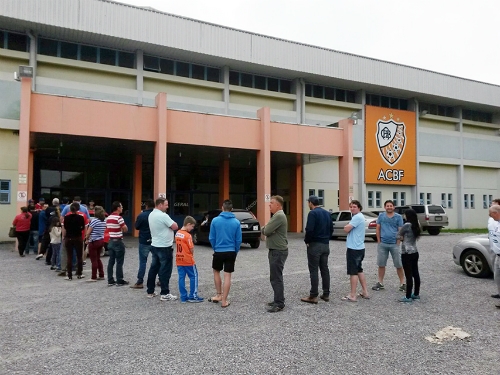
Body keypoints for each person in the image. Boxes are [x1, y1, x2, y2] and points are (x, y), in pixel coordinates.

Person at [208, 199, 241, 308]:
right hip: (231, 251)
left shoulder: (215, 221)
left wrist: (215, 247)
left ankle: (219, 295)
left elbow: (212, 237)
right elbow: (238, 240)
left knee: (216, 271)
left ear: (222, 208)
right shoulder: (236, 222)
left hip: (218, 250)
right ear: (231, 209)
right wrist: (235, 250)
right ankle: (224, 301)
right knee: (228, 275)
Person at [301, 195, 333, 304]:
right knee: (324, 268)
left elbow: (309, 229)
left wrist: (307, 241)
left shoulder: (312, 213)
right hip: (325, 244)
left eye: (308, 202)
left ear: (310, 203)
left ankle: (313, 295)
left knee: (313, 269)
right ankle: (326, 293)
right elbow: (331, 229)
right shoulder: (327, 213)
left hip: (315, 245)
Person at [146, 198, 179, 300]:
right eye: (166, 205)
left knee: (154, 268)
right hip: (164, 246)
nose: (167, 207)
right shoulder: (163, 216)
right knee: (165, 270)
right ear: (160, 205)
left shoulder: (151, 214)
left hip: (155, 244)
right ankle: (165, 293)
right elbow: (175, 226)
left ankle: (150, 291)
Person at [261, 195, 288, 313]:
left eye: (271, 203)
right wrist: (267, 228)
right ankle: (278, 299)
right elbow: (267, 229)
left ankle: (279, 303)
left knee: (276, 278)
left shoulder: (279, 216)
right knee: (275, 276)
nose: (269, 205)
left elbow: (266, 230)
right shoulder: (277, 216)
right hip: (275, 250)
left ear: (278, 205)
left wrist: (266, 228)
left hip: (278, 250)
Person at [372, 200, 405, 292]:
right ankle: (380, 282)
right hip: (383, 243)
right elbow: (378, 228)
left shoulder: (398, 217)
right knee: (381, 264)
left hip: (394, 244)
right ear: (385, 207)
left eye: (391, 206)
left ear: (394, 207)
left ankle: (402, 283)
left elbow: (400, 230)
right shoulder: (381, 216)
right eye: (387, 206)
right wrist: (379, 241)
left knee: (398, 264)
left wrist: (398, 242)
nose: (389, 207)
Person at [342, 200, 370, 302]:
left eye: (354, 206)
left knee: (353, 271)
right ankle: (365, 292)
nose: (352, 208)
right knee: (359, 270)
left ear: (359, 208)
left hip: (354, 248)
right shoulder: (359, 217)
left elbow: (346, 229)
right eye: (351, 207)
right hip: (360, 247)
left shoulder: (357, 217)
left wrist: (347, 225)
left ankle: (352, 295)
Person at [175, 216, 204, 303]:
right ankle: (193, 296)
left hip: (179, 259)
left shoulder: (177, 233)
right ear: (188, 224)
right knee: (193, 276)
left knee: (181, 278)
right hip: (188, 260)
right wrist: (191, 254)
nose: (192, 228)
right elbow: (191, 248)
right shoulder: (188, 236)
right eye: (192, 226)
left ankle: (183, 297)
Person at [397, 209, 422, 303]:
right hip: (415, 251)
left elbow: (398, 235)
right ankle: (416, 293)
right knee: (415, 273)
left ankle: (408, 296)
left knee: (408, 274)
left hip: (406, 252)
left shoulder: (407, 225)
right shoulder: (417, 224)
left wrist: (402, 237)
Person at [131, 199, 155, 289]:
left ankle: (140, 281)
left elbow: (136, 227)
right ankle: (160, 280)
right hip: (155, 241)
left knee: (143, 262)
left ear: (146, 206)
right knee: (157, 261)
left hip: (144, 240)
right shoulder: (157, 215)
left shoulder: (142, 215)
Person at [106, 201, 129, 286]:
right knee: (119, 261)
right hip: (118, 241)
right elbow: (125, 228)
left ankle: (110, 279)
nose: (122, 208)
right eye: (121, 206)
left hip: (111, 240)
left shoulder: (108, 217)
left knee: (111, 261)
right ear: (118, 208)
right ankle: (119, 279)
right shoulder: (119, 218)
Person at [62, 202, 85, 280]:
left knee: (69, 256)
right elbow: (82, 227)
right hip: (78, 237)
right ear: (78, 209)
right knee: (79, 256)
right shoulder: (80, 217)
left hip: (69, 238)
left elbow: (65, 227)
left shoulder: (66, 218)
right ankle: (79, 273)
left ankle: (69, 275)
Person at [85, 206, 106, 281]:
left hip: (94, 241)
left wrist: (87, 238)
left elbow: (88, 232)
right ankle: (101, 274)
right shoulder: (104, 221)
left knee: (93, 260)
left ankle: (93, 276)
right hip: (101, 240)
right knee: (98, 259)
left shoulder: (94, 221)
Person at [488, 204, 500, 309]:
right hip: (497, 255)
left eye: (491, 213)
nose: (489, 215)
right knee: (497, 277)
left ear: (496, 213)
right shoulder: (496, 223)